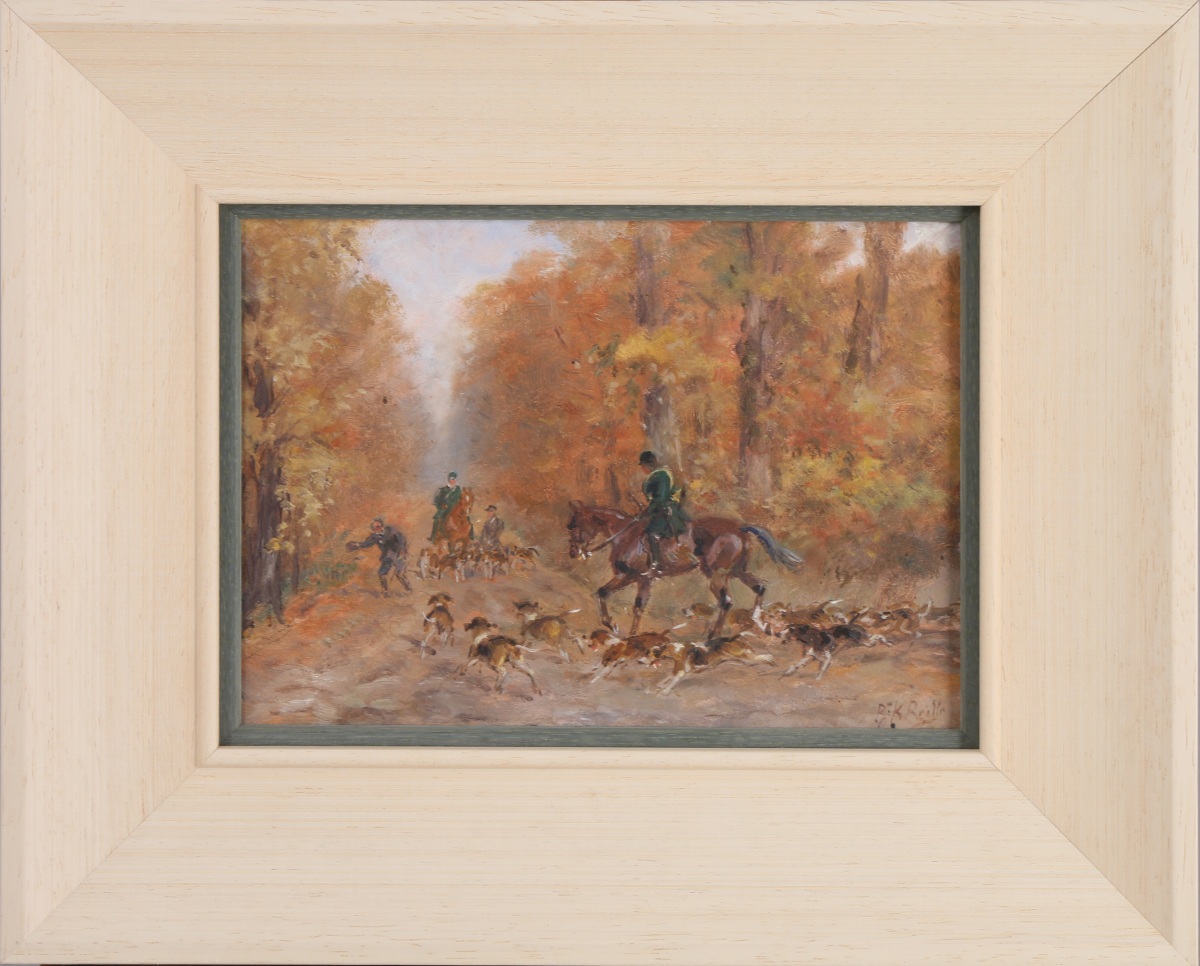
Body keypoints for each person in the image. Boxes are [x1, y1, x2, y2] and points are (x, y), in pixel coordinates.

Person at [638, 450, 689, 574]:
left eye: (643, 466)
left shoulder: (661, 475)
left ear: (647, 465)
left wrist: (648, 511)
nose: (643, 469)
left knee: (651, 533)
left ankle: (657, 564)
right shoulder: (658, 474)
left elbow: (660, 497)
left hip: (664, 509)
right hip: (659, 508)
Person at [346, 517, 411, 596]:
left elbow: (401, 539)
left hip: (399, 553)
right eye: (374, 527)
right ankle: (385, 592)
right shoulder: (374, 536)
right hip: (387, 556)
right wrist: (357, 545)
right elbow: (367, 543)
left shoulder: (391, 530)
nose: (376, 529)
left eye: (378, 527)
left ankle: (409, 589)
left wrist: (404, 550)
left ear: (382, 525)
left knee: (399, 574)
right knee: (381, 573)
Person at [430, 472, 463, 544]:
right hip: (445, 509)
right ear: (448, 479)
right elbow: (437, 501)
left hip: (456, 509)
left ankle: (471, 536)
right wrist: (441, 505)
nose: (453, 480)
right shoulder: (442, 490)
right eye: (451, 479)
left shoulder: (458, 489)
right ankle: (433, 536)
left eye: (454, 479)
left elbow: (461, 499)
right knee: (437, 518)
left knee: (466, 519)